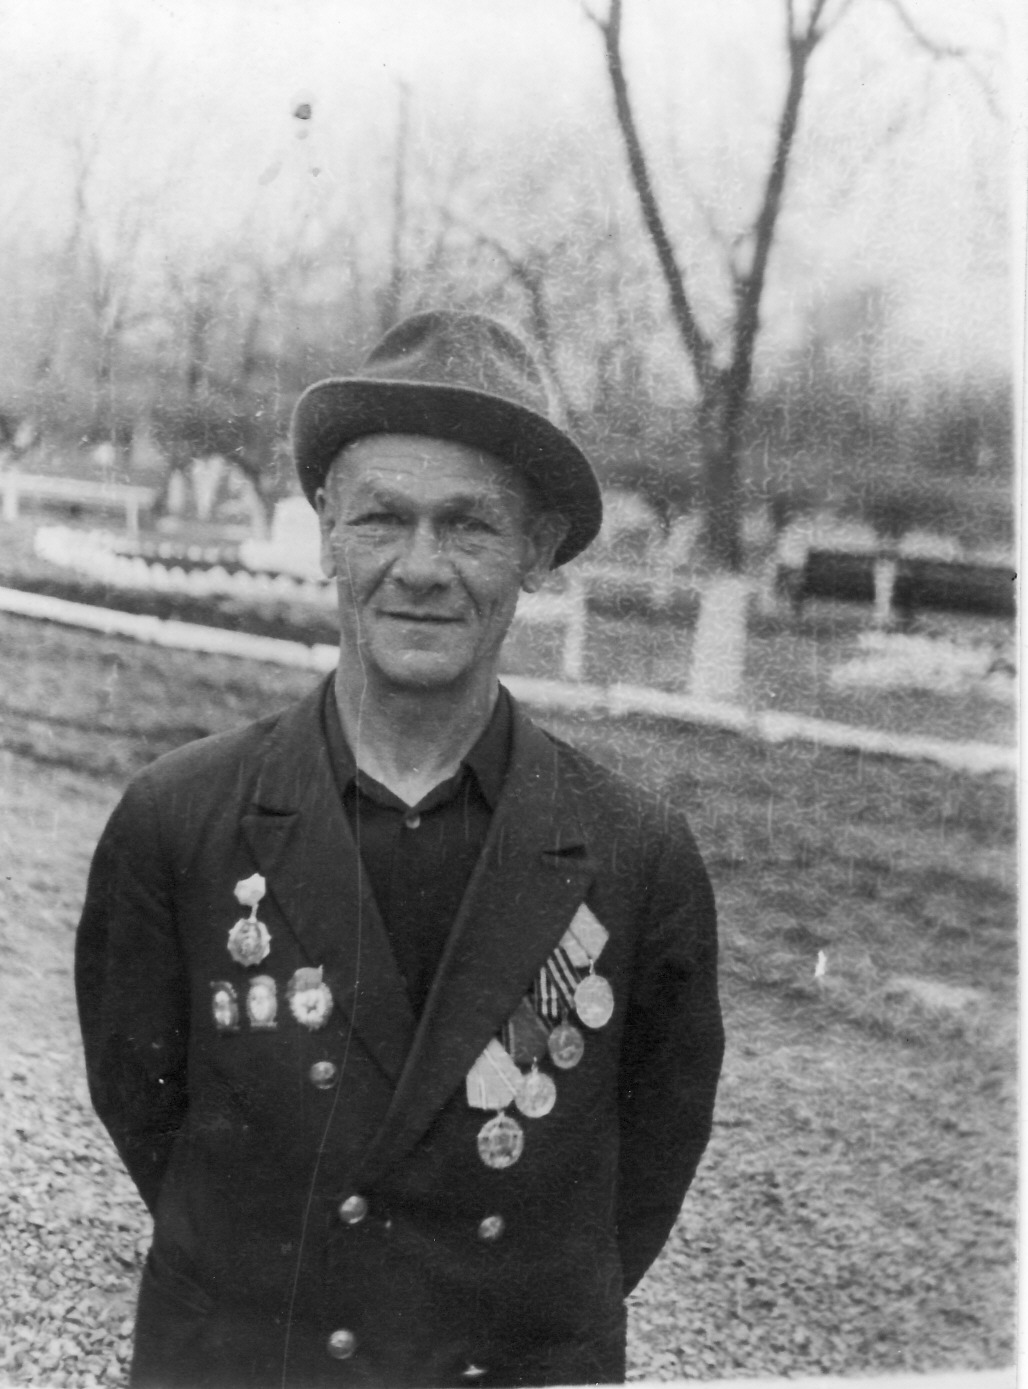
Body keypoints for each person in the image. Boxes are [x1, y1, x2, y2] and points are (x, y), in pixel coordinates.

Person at [76, 309, 724, 1389]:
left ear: (537, 550)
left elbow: (648, 1166)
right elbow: (145, 1111)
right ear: (327, 530)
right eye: (382, 517)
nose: (420, 567)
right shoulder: (177, 819)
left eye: (469, 526)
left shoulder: (636, 857)